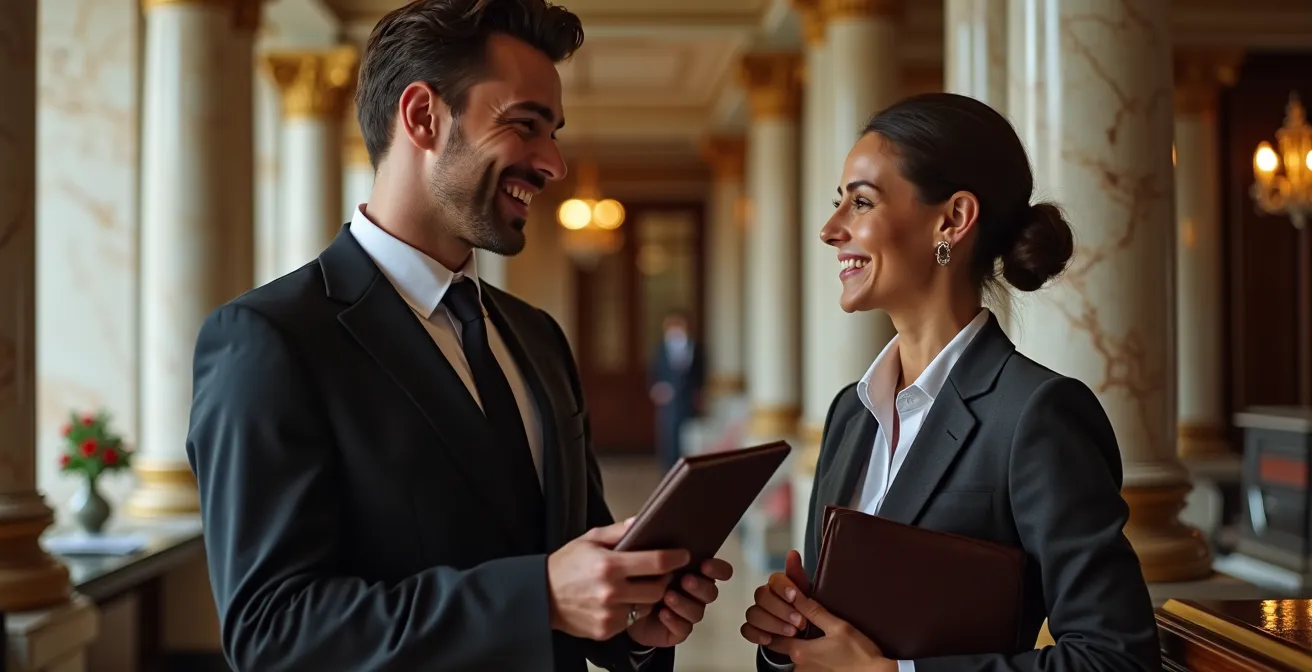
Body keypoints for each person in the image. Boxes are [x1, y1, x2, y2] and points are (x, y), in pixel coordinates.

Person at [185, 1, 732, 669]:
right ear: (423, 117)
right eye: (525, 126)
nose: (554, 164)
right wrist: (537, 598)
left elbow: (575, 565)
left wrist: (634, 626)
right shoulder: (270, 340)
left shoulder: (538, 338)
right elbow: (272, 633)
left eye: (553, 133)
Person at [740, 92, 1161, 671]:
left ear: (953, 219)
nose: (831, 229)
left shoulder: (1036, 415)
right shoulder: (848, 414)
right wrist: (786, 640)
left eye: (860, 202)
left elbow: (1115, 659)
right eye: (839, 203)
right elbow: (830, 644)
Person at [648, 310, 706, 471]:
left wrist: (700, 393)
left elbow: (700, 373)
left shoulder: (695, 347)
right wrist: (656, 389)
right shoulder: (660, 348)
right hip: (668, 400)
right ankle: (668, 470)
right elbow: (654, 372)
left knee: (688, 436)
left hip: (688, 399)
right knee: (668, 436)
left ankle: (687, 468)